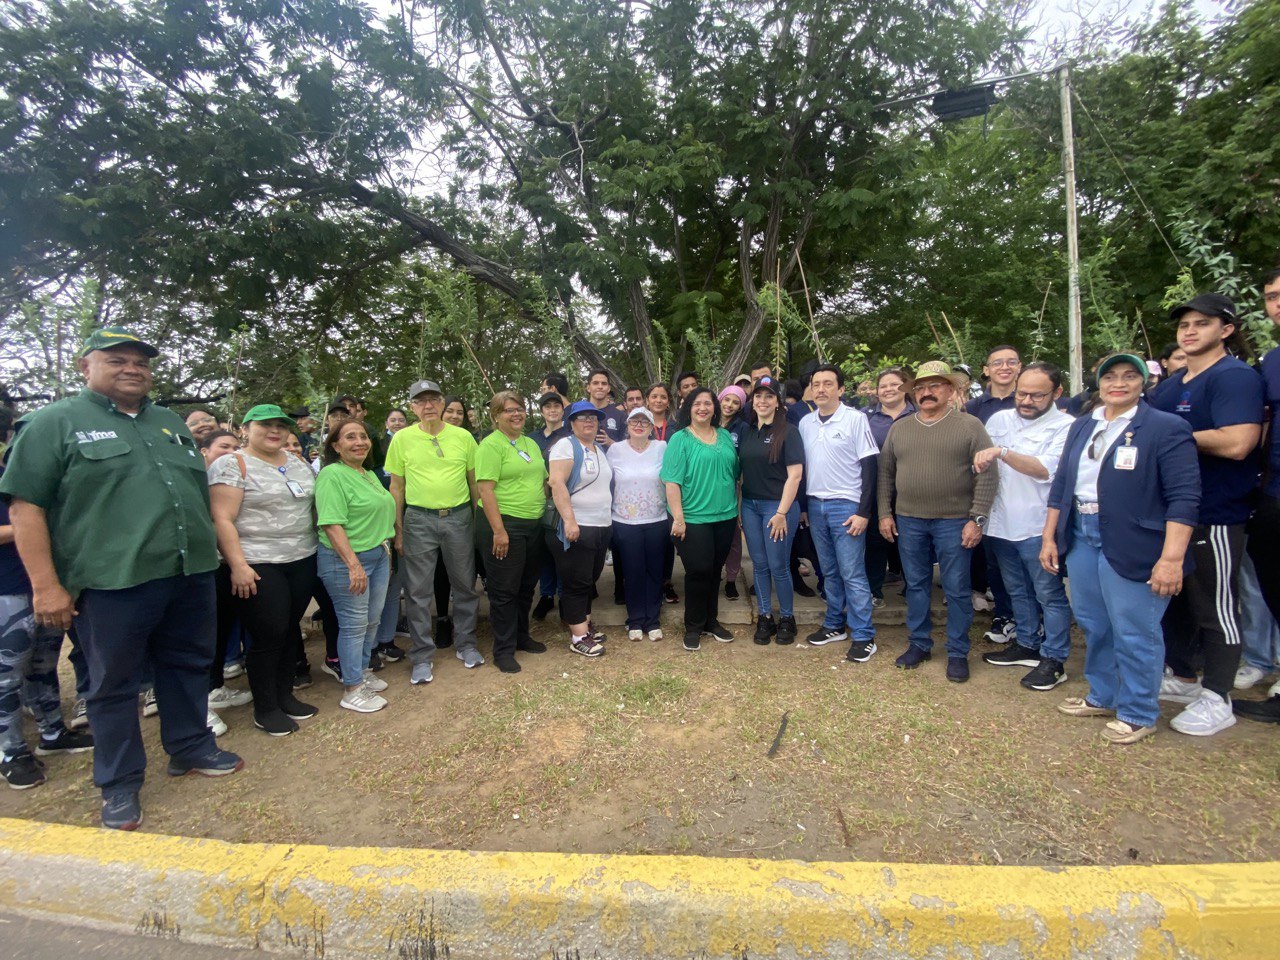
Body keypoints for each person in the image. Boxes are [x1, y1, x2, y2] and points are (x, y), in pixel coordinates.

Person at [0, 327, 242, 828]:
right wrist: (46, 586)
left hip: (188, 572)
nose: (133, 368)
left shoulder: (169, 422)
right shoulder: (53, 423)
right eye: (116, 360)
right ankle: (118, 782)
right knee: (113, 684)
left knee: (188, 663)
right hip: (112, 581)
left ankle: (190, 746)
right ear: (84, 366)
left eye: (141, 361)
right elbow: (26, 507)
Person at [1042, 353, 1200, 744]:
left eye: (1130, 376)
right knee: (1095, 623)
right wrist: (1050, 537)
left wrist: (1171, 558)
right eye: (1110, 376)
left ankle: (1139, 711)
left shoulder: (1165, 427)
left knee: (1135, 630)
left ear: (1143, 382)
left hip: (1136, 540)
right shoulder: (1083, 425)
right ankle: (1104, 695)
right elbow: (1062, 485)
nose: (1119, 383)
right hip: (1082, 532)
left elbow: (1184, 497)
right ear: (1098, 382)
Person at [1147, 293, 1264, 736]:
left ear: (1227, 329)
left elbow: (1238, 442)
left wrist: (1173, 435)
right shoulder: (1173, 385)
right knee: (1173, 600)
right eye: (1183, 326)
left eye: (1201, 323)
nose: (1189, 331)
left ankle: (1219, 696)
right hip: (1168, 512)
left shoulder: (1235, 378)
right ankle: (1181, 676)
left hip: (1214, 512)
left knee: (1215, 605)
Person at [878, 361, 998, 682]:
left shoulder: (970, 426)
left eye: (934, 386)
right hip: (909, 520)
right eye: (920, 387)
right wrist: (884, 513)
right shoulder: (900, 428)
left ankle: (957, 651)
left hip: (954, 521)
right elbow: (886, 474)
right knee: (915, 585)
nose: (926, 393)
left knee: (958, 588)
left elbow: (987, 475)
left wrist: (977, 519)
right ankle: (919, 642)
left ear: (951, 390)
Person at [209, 404, 319, 736]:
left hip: (301, 557)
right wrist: (238, 566)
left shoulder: (297, 461)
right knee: (269, 632)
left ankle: (285, 696)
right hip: (257, 562)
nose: (275, 431)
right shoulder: (233, 464)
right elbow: (222, 518)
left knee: (288, 630)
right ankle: (266, 707)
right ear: (246, 428)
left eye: (281, 426)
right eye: (265, 425)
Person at [1, 436, 94, 790]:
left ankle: (53, 733)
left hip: (48, 587)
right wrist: (32, 524)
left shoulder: (19, 478)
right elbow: (26, 520)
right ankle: (11, 753)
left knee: (42, 667)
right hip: (6, 591)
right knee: (6, 677)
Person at [975, 363, 1075, 690]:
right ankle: (1028, 644)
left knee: (1049, 594)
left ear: (1057, 393)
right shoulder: (999, 420)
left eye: (1037, 395)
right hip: (1000, 523)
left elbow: (1044, 470)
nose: (1026, 400)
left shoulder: (1066, 426)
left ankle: (1054, 658)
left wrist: (1001, 452)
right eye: (1022, 393)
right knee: (1016, 589)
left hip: (1038, 526)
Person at [386, 380, 484, 684]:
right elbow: (396, 487)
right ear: (413, 407)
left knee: (465, 585)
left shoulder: (464, 437)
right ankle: (422, 655)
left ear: (442, 403)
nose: (428, 405)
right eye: (421, 401)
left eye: (433, 399)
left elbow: (474, 482)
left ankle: (466, 644)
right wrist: (398, 530)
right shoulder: (401, 439)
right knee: (417, 591)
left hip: (458, 518)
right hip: (418, 520)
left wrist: (479, 522)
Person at [798, 365, 880, 660]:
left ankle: (863, 635)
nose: (821, 389)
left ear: (841, 389)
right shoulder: (806, 423)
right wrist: (805, 507)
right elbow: (805, 470)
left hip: (846, 506)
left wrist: (864, 512)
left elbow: (870, 467)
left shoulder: (856, 419)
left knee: (852, 572)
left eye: (828, 384)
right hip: (816, 505)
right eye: (816, 383)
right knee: (829, 571)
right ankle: (835, 624)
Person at [315, 418, 396, 713]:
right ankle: (351, 687)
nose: (359, 441)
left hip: (377, 555)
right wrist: (353, 564)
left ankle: (362, 672)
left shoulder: (366, 474)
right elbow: (331, 523)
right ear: (336, 446)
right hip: (346, 560)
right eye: (350, 437)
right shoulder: (331, 476)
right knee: (353, 625)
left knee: (371, 620)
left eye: (363, 436)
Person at [661, 387, 740, 651]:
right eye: (697, 404)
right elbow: (671, 481)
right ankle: (693, 626)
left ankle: (711, 622)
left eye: (708, 403)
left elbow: (734, 474)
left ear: (715, 408)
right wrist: (679, 519)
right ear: (688, 408)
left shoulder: (726, 436)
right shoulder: (679, 439)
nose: (703, 408)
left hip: (726, 516)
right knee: (698, 571)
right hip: (693, 518)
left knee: (714, 571)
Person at [475, 391, 549, 673]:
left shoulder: (529, 442)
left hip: (534, 523)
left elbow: (541, 480)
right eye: (508, 410)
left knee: (526, 586)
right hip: (504, 524)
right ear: (496, 416)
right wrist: (499, 531)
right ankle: (503, 649)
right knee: (504, 590)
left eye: (520, 409)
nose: (516, 414)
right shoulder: (490, 446)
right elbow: (485, 490)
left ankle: (521, 636)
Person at [1237, 268, 1280, 723]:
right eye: (1271, 296)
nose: (1276, 303)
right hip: (1272, 492)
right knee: (1269, 586)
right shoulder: (1271, 361)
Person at [739, 377, 804, 645]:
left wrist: (781, 512)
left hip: (777, 508)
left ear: (778, 402)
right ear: (752, 401)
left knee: (779, 566)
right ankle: (765, 616)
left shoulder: (788, 432)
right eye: (758, 396)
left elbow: (795, 475)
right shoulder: (748, 431)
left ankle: (787, 617)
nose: (762, 401)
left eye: (769, 396)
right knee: (760, 565)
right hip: (751, 507)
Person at [548, 401, 613, 657]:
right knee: (576, 581)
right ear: (572, 422)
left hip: (600, 524)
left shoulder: (597, 448)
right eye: (582, 417)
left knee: (589, 579)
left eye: (593, 418)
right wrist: (569, 520)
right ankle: (578, 636)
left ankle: (583, 623)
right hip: (577, 525)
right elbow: (556, 482)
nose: (589, 421)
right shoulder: (566, 445)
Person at [607, 407, 669, 641]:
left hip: (657, 519)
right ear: (628, 425)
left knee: (654, 571)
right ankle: (634, 620)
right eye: (635, 421)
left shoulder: (662, 448)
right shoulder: (615, 450)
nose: (639, 425)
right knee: (632, 572)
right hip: (624, 521)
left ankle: (652, 620)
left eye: (645, 421)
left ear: (652, 427)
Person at [864, 367, 914, 607]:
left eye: (894, 384)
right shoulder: (867, 419)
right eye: (883, 386)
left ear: (905, 387)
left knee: (912, 541)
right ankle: (874, 590)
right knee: (875, 541)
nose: (888, 389)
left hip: (911, 490)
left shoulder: (918, 416)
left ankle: (913, 588)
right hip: (875, 490)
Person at [530, 392, 569, 622]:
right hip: (538, 499)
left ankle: (565, 595)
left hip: (562, 499)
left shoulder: (569, 434)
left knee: (563, 547)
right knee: (544, 549)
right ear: (542, 411)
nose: (553, 410)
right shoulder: (532, 438)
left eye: (557, 406)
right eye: (548, 407)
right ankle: (546, 595)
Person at [716, 384, 749, 600]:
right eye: (727, 399)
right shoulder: (707, 420)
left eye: (735, 402)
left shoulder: (743, 428)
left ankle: (731, 580)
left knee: (734, 537)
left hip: (733, 486)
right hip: (708, 486)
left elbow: (744, 461)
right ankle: (712, 574)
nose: (729, 405)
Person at [585, 370, 626, 445]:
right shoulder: (578, 414)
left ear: (609, 388)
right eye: (595, 383)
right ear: (588, 388)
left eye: (604, 384)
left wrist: (611, 443)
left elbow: (628, 448)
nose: (600, 387)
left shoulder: (621, 416)